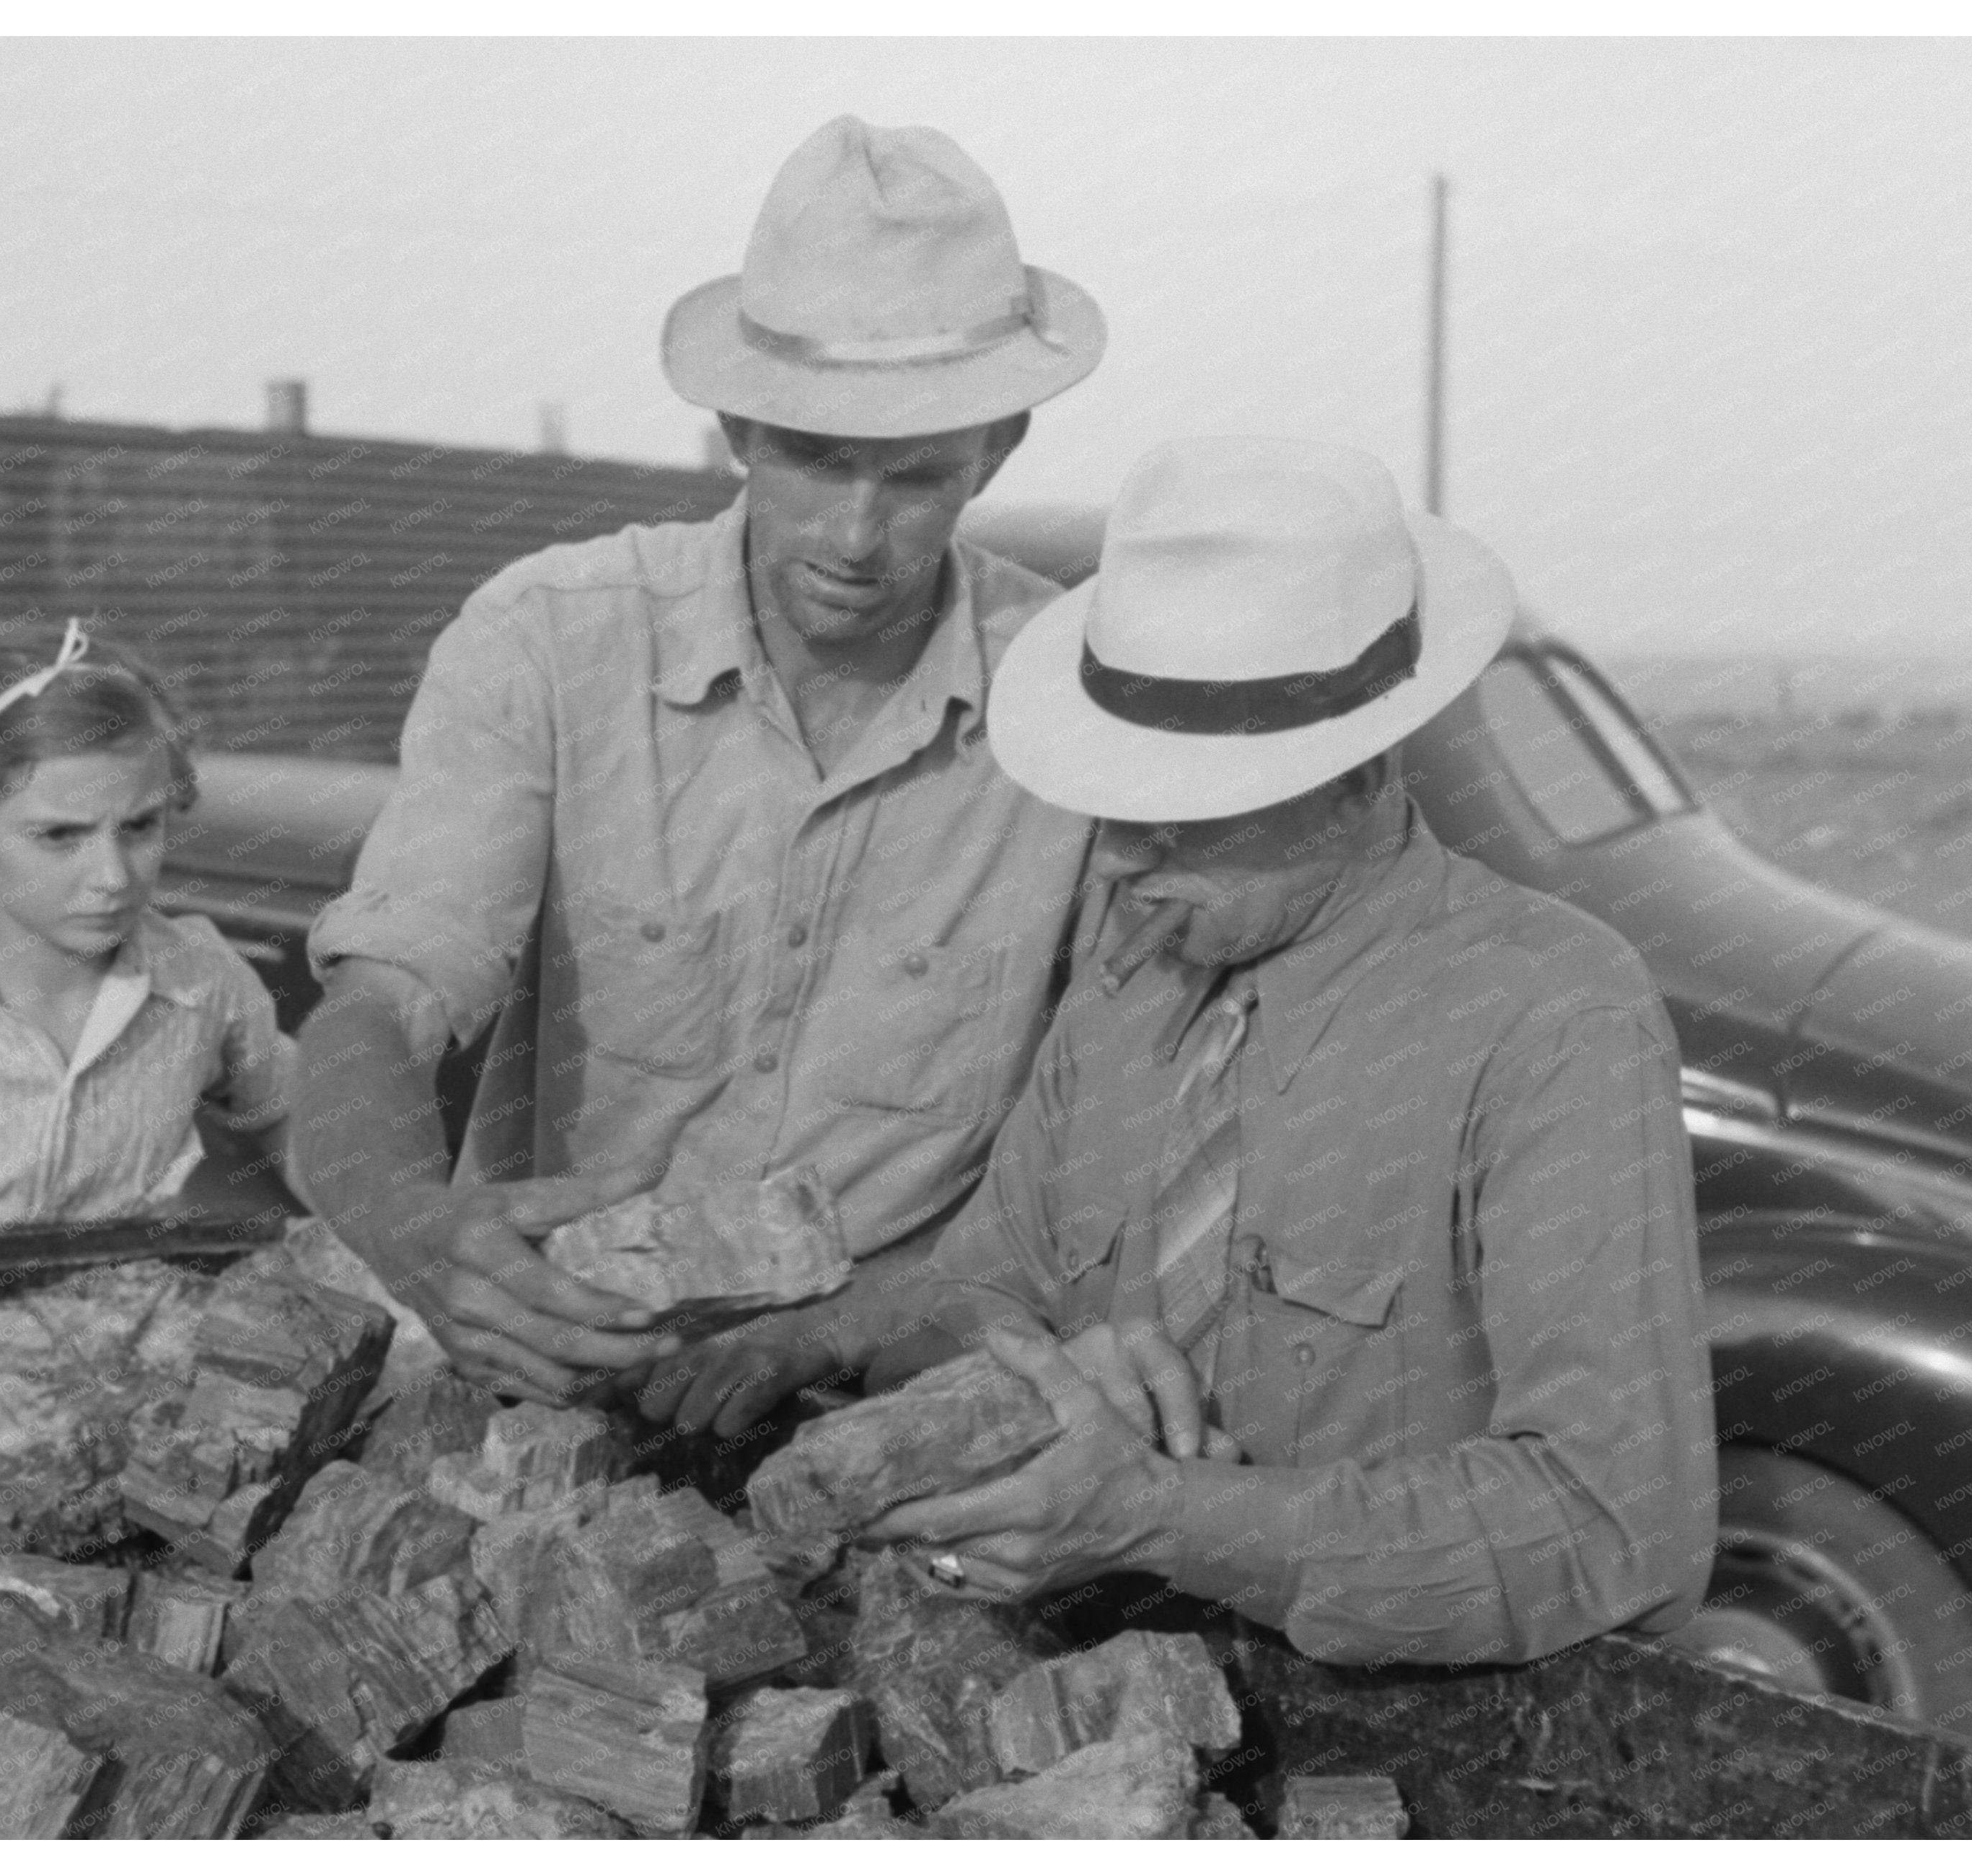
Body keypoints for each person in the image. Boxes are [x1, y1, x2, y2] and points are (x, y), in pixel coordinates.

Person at [830, 436, 1717, 1665]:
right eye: (1107, 803)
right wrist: (1034, 1369)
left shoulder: (1551, 1017)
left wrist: (1161, 1518)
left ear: (1354, 775)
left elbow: (1614, 1528)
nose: (1116, 862)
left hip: (1407, 1730)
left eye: (1177, 812)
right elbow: (974, 1293)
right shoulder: (1135, 958)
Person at [294, 116, 1109, 1418]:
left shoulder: (1075, 712)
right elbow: (379, 1008)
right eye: (816, 459)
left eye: (913, 478)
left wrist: (839, 1334)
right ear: (738, 425)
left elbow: (1099, 1152)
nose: (854, 536)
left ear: (998, 448)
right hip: (547, 1383)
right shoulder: (549, 640)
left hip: (889, 1409)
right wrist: (411, 1229)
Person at [0, 618, 299, 1272]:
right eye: (60, 836)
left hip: (129, 1342)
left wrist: (384, 1220)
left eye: (140, 825)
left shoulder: (200, 977)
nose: (114, 877)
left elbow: (292, 1112)